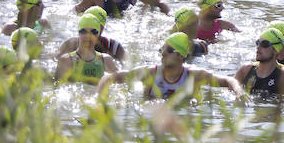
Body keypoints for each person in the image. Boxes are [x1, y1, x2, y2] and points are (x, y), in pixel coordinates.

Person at [98, 33, 241, 102]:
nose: (163, 53)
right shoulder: (150, 73)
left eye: (168, 50)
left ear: (181, 56)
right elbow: (109, 77)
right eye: (162, 49)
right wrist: (98, 98)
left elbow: (228, 80)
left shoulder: (194, 75)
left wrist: (239, 93)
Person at [234, 26, 284, 95]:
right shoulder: (246, 70)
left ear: (276, 50)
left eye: (264, 44)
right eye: (257, 43)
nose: (258, 47)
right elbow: (230, 92)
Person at [55, 14, 119, 84]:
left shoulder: (106, 60)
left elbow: (118, 86)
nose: (88, 36)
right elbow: (56, 87)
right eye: (83, 31)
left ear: (98, 35)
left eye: (93, 32)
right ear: (78, 33)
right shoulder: (66, 60)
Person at [55, 6, 127, 62]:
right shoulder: (70, 44)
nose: (88, 34)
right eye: (84, 29)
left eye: (94, 29)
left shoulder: (114, 47)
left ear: (101, 28)